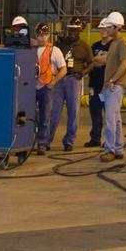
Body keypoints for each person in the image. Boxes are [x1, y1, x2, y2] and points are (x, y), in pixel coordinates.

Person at [48, 17, 94, 151]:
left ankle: (69, 141)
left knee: (73, 111)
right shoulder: (60, 44)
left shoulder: (85, 47)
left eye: (76, 30)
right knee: (54, 111)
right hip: (59, 79)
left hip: (74, 79)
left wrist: (82, 73)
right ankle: (46, 140)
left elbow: (91, 63)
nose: (73, 32)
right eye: (71, 29)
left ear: (80, 30)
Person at [98, 11, 126, 161]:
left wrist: (113, 80)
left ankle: (110, 149)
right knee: (116, 119)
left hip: (115, 86)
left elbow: (125, 63)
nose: (107, 30)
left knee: (110, 119)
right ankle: (118, 149)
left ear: (117, 27)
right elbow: (112, 62)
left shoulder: (123, 43)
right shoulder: (115, 43)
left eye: (109, 27)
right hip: (111, 85)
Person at [33, 23, 66, 153]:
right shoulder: (30, 49)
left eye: (44, 35)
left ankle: (42, 142)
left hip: (46, 87)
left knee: (45, 116)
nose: (42, 37)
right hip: (30, 87)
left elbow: (63, 69)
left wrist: (53, 82)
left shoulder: (54, 51)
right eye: (40, 35)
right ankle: (29, 141)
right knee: (31, 115)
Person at [85, 24, 112, 147]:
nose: (103, 31)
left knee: (110, 115)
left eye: (106, 28)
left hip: (107, 85)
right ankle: (95, 138)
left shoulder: (114, 45)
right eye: (101, 28)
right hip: (94, 84)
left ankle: (109, 141)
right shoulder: (94, 46)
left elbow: (109, 60)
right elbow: (91, 62)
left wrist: (99, 60)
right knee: (95, 113)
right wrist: (99, 60)